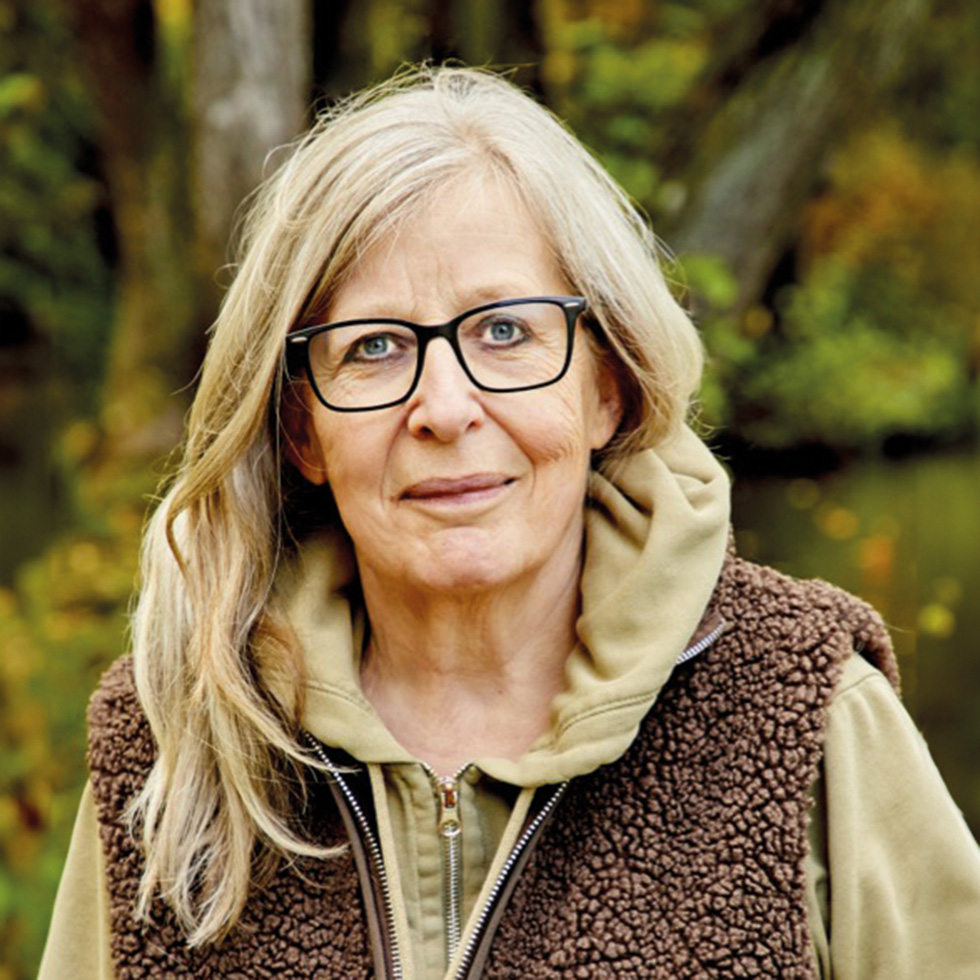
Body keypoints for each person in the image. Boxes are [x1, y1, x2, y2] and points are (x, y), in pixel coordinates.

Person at [40, 65, 980, 980]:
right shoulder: (170, 750)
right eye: (375, 346)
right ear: (302, 429)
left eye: (504, 331)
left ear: (607, 387)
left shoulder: (806, 713)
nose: (445, 409)